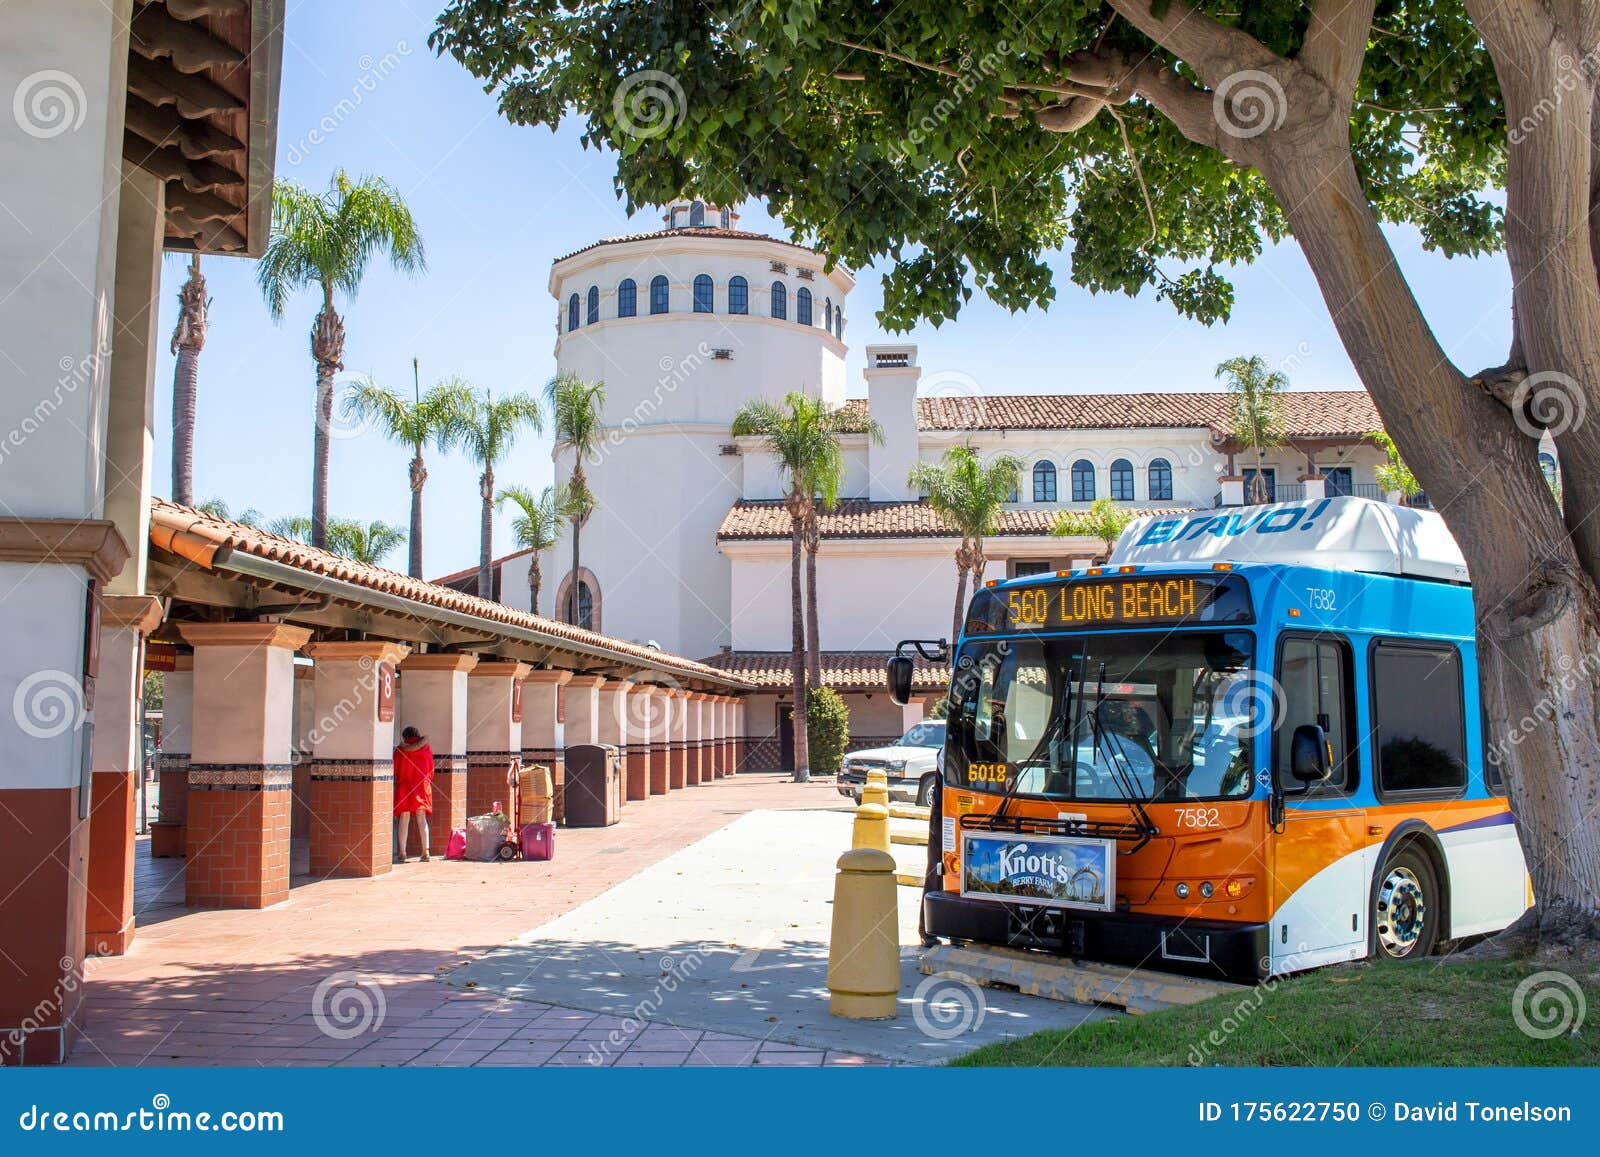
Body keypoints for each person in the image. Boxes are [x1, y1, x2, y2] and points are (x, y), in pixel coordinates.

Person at [393, 725, 434, 863]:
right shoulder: (426, 748)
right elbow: (431, 769)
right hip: (422, 786)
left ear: (405, 737)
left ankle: (402, 852)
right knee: (421, 819)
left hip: (405, 787)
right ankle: (425, 851)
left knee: (404, 819)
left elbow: (395, 770)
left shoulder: (400, 750)